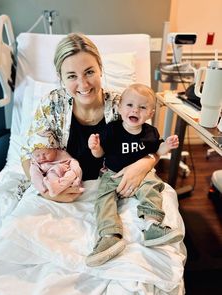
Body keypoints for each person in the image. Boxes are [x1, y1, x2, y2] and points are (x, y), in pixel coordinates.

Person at [21, 33, 159, 204]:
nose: (84, 84)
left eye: (89, 72)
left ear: (100, 68)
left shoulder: (122, 106)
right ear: (61, 77)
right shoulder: (52, 104)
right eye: (72, 76)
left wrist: (144, 164)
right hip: (66, 191)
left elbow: (151, 144)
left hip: (113, 190)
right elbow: (28, 154)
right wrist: (47, 193)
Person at [85, 83, 183, 267]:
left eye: (142, 107)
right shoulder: (112, 129)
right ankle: (110, 235)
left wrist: (167, 145)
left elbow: (157, 150)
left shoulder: (150, 132)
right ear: (120, 107)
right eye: (129, 105)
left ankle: (152, 226)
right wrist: (95, 147)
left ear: (150, 114)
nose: (135, 110)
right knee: (103, 198)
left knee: (152, 186)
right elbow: (100, 154)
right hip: (113, 174)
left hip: (142, 174)